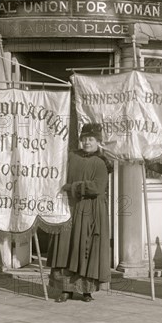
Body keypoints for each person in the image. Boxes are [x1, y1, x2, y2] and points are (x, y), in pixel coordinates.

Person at [47, 123, 113, 302]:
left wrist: (72, 187)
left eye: (91, 139)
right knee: (67, 247)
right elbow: (58, 173)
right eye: (84, 139)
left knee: (85, 247)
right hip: (70, 208)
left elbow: (97, 187)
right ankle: (65, 290)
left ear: (98, 141)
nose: (87, 142)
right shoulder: (71, 157)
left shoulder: (100, 163)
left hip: (91, 211)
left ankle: (86, 290)